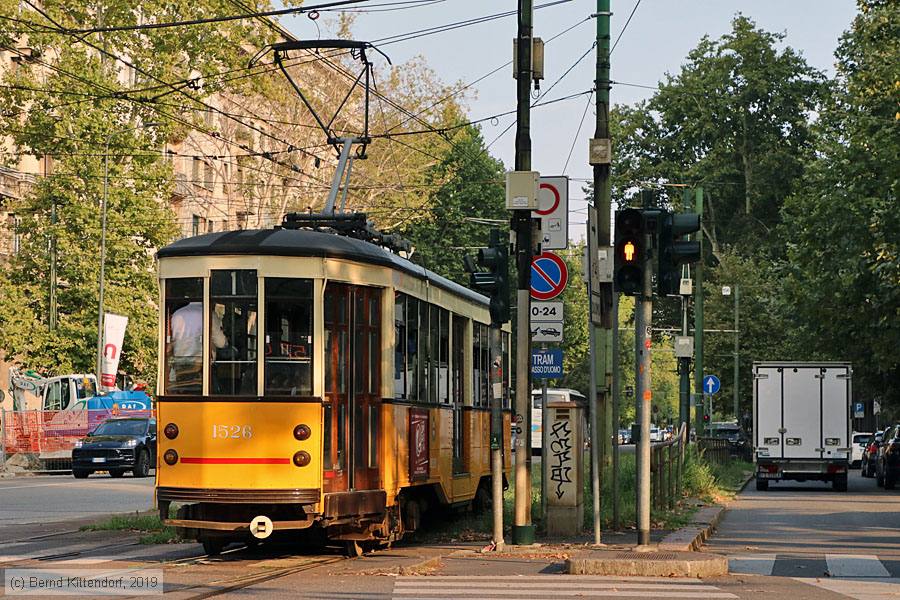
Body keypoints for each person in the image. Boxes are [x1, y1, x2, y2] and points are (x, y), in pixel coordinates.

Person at [168, 302, 227, 392]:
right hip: (201, 366)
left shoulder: (177, 314)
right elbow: (221, 343)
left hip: (179, 365)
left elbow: (171, 341)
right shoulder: (208, 313)